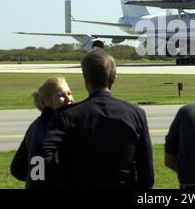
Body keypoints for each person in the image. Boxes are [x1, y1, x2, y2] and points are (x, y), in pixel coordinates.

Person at [42, 49, 154, 189]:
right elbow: (146, 171)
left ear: (85, 78)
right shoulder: (136, 114)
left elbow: (43, 154)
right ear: (114, 77)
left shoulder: (67, 115)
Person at [10, 77, 74, 189]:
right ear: (46, 101)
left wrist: (35, 178)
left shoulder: (34, 126)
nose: (69, 99)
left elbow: (17, 169)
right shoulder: (61, 126)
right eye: (61, 96)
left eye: (69, 94)